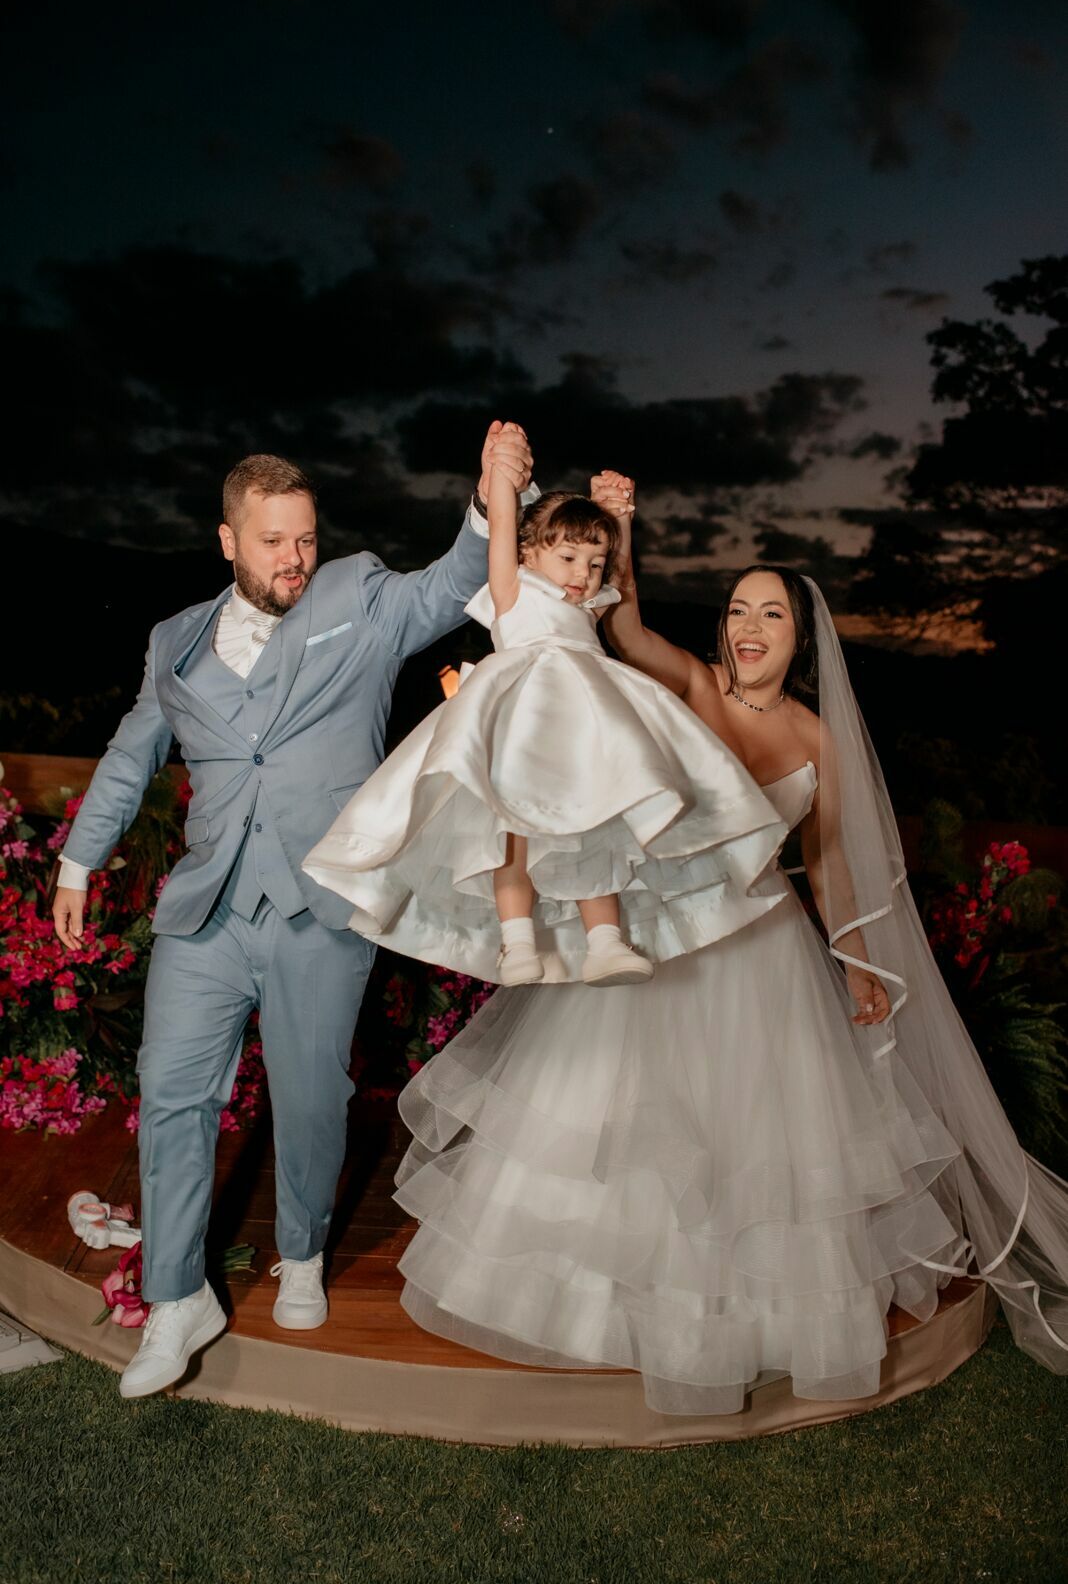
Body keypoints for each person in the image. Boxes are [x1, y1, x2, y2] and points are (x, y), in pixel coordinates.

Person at [389, 484, 1068, 1415]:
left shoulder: (816, 738)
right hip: (670, 935)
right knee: (625, 1128)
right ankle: (603, 1312)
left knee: (754, 1148)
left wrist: (857, 961)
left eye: (772, 613)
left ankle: (737, 1324)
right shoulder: (697, 691)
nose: (751, 626)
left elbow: (825, 864)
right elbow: (621, 628)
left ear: (800, 638)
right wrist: (623, 530)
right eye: (739, 609)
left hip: (769, 952)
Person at [50, 425, 533, 1399]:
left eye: (305, 537)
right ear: (228, 540)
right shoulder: (174, 640)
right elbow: (126, 754)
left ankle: (303, 1250)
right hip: (207, 909)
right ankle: (180, 1294)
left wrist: (488, 501)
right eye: (273, 541)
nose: (294, 558)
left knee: (311, 1095)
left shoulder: (356, 597)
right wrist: (75, 860)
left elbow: (447, 585)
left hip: (320, 906)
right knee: (173, 1090)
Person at [302, 447, 789, 988]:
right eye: (569, 558)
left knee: (593, 827)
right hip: (517, 726)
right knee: (509, 837)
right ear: (530, 553)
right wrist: (502, 478)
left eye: (593, 563)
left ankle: (605, 942)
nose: (583, 574)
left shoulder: (591, 605)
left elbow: (621, 580)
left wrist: (620, 519)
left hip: (582, 734)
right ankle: (516, 944)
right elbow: (505, 535)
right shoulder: (513, 590)